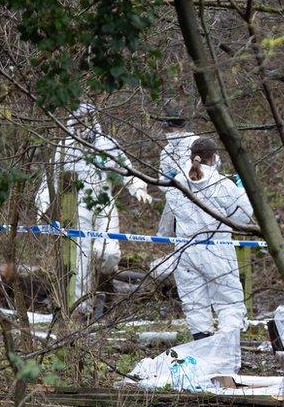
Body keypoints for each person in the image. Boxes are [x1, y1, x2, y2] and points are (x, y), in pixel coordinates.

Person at [35, 103, 152, 315]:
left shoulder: (107, 145)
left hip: (104, 205)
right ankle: (82, 310)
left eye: (86, 121)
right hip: (77, 209)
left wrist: (138, 187)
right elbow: (49, 180)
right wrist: (42, 205)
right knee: (81, 260)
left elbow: (127, 170)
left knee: (108, 253)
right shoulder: (65, 148)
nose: (83, 127)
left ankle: (105, 282)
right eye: (79, 123)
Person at [164, 137, 253, 339]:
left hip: (185, 252)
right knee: (228, 301)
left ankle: (204, 352)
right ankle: (228, 353)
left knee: (195, 304)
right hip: (217, 251)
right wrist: (242, 190)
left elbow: (170, 217)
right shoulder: (222, 184)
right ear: (214, 158)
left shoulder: (176, 182)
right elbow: (243, 216)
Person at [156, 111, 198, 236]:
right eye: (167, 130)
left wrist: (187, 176)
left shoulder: (196, 143)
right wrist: (169, 182)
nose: (169, 133)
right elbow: (161, 178)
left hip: (198, 196)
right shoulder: (166, 151)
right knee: (177, 236)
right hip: (175, 197)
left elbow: (212, 165)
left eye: (171, 129)